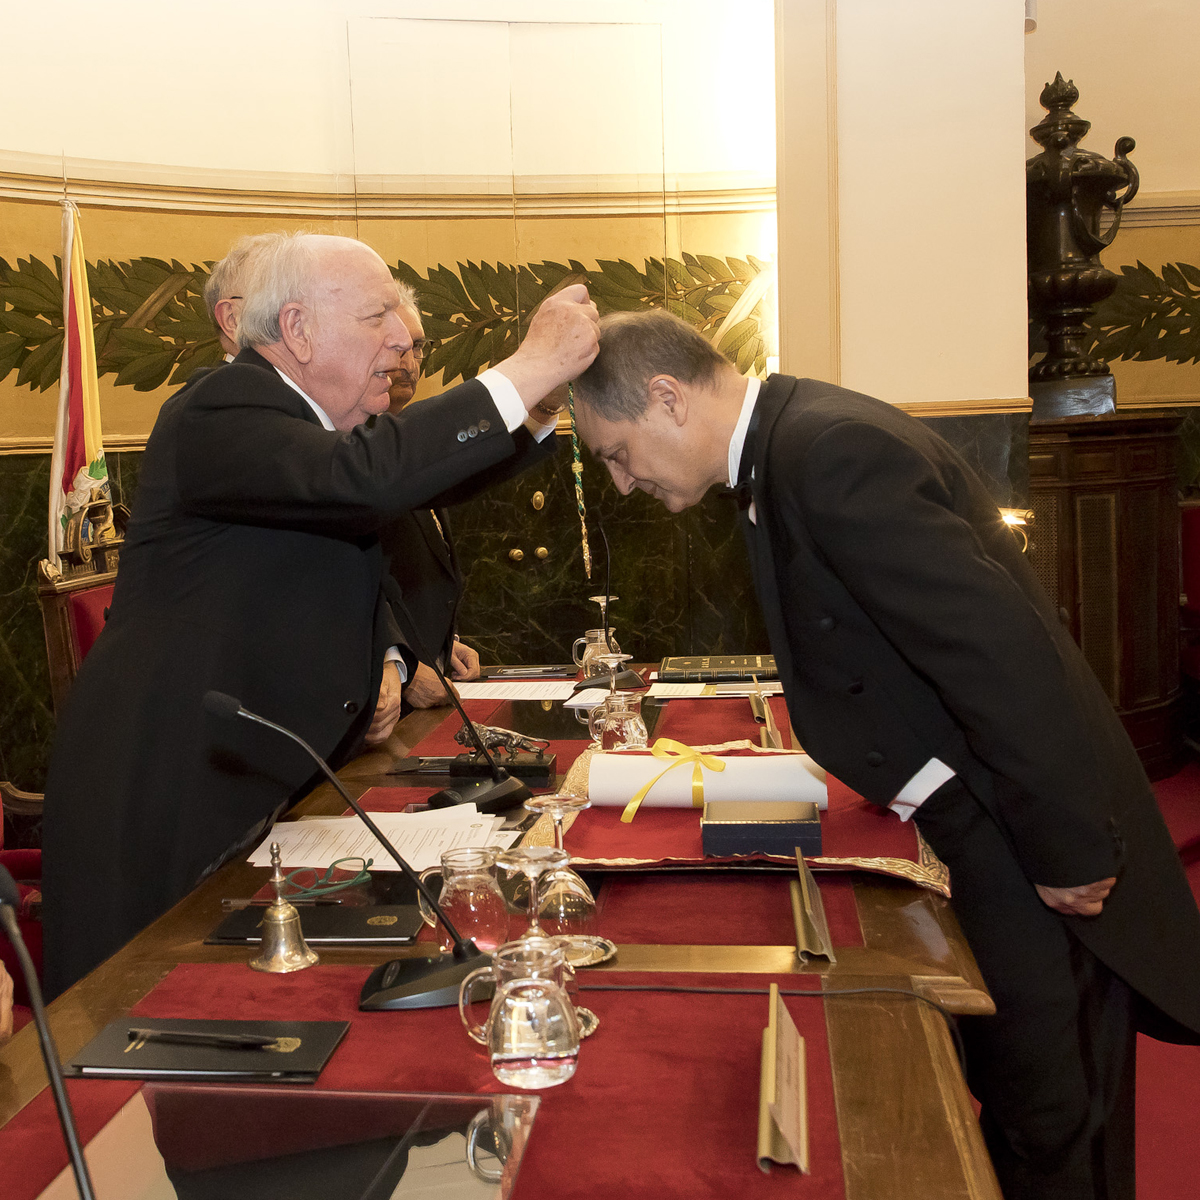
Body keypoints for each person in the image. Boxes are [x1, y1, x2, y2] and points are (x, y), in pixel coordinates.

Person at [571, 308, 1200, 1200]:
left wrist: (1070, 851)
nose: (623, 481)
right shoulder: (792, 443)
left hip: (1024, 829)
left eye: (614, 451)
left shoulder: (831, 454)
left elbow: (1000, 661)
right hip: (976, 812)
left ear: (666, 398)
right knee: (1022, 1092)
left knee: (1054, 1110)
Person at [41, 232, 598, 997]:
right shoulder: (220, 408)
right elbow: (365, 479)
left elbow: (406, 480)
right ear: (297, 330)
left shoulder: (312, 430)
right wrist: (524, 366)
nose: (404, 339)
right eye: (378, 316)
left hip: (261, 781)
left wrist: (534, 407)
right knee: (137, 1029)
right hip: (169, 796)